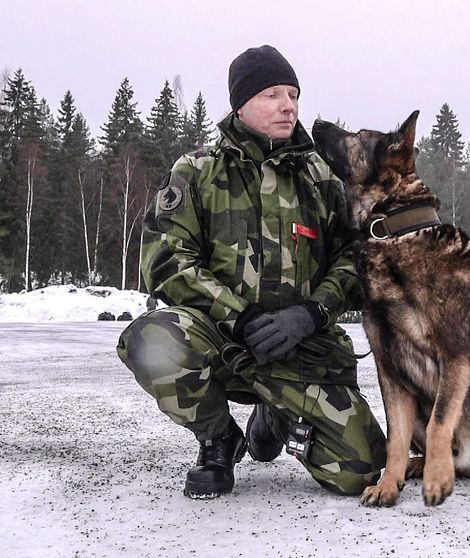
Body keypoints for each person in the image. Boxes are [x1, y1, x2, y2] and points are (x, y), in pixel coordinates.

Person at [116, 45, 386, 500]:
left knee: (359, 469)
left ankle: (277, 414)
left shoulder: (320, 177)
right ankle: (219, 438)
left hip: (301, 345)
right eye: (272, 94)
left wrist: (311, 314)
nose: (288, 105)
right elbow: (166, 260)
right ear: (240, 104)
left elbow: (355, 259)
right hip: (223, 340)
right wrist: (238, 316)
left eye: (294, 94)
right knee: (151, 340)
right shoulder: (198, 171)